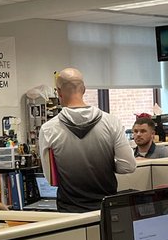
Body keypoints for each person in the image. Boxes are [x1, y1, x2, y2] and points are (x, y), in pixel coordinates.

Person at [38, 68, 137, 213]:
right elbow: (128, 166)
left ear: (58, 92)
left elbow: (51, 179)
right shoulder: (111, 122)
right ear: (83, 89)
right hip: (106, 209)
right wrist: (106, 163)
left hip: (70, 212)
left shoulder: (48, 129)